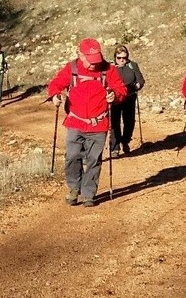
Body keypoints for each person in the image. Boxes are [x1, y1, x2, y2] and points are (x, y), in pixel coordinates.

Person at [46, 38, 127, 207]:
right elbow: (55, 84)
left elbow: (121, 89)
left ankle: (89, 193)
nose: (93, 65)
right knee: (72, 157)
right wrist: (55, 95)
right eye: (90, 61)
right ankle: (74, 188)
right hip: (75, 121)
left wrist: (115, 95)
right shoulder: (72, 68)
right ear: (80, 55)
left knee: (93, 159)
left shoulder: (108, 69)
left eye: (96, 60)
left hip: (98, 124)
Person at [109, 45, 145, 157]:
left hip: (129, 97)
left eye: (124, 57)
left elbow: (140, 79)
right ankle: (114, 147)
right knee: (115, 123)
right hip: (115, 99)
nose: (121, 60)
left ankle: (125, 141)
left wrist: (138, 85)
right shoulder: (110, 67)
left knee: (129, 122)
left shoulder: (132, 65)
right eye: (119, 58)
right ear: (115, 57)